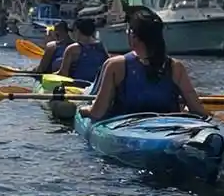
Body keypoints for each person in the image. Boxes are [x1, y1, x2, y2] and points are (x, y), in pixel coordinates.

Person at [78, 8, 206, 120]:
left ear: (133, 36)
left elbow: (97, 113)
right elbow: (199, 112)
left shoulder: (115, 66)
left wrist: (83, 110)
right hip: (169, 130)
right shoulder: (176, 67)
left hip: (126, 131)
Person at [57, 17, 109, 84]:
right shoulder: (101, 46)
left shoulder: (72, 49)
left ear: (77, 30)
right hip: (95, 87)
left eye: (73, 30)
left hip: (76, 88)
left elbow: (63, 74)